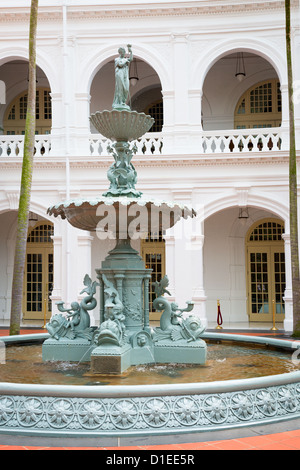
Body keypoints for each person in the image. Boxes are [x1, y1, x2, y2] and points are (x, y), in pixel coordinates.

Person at [112, 45, 133, 110]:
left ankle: (123, 101)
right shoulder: (117, 59)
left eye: (124, 52)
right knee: (120, 88)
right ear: (120, 53)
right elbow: (120, 65)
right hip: (119, 74)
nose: (123, 54)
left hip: (125, 75)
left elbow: (131, 59)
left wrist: (131, 52)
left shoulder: (125, 59)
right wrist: (125, 61)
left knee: (126, 89)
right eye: (122, 52)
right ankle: (120, 102)